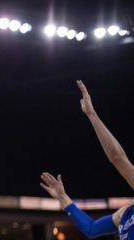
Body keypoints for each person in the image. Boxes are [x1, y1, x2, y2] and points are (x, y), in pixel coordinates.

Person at [40, 80, 134, 239]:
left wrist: (92, 114)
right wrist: (63, 198)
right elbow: (92, 229)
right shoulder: (126, 213)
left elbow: (117, 157)